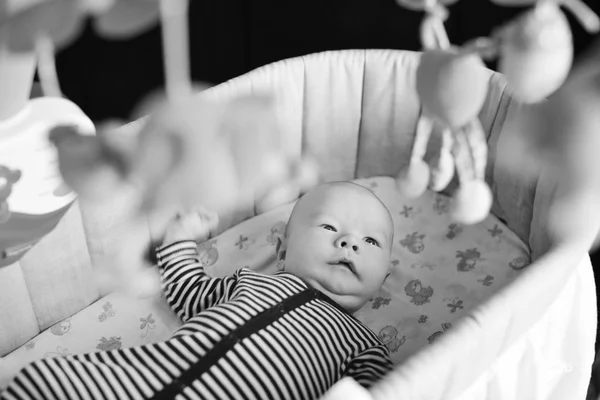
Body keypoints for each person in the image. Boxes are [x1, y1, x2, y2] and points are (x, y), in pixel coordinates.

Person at [1, 181, 395, 400]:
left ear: (383, 278)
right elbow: (187, 291)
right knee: (45, 379)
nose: (349, 243)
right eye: (329, 228)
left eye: (371, 243)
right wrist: (180, 238)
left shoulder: (363, 345)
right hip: (137, 380)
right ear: (282, 249)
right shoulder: (251, 281)